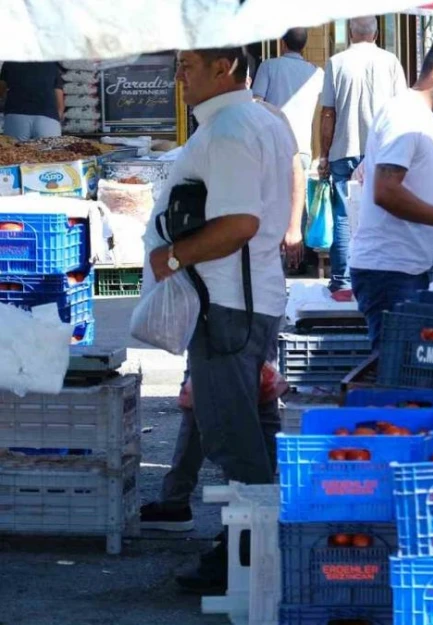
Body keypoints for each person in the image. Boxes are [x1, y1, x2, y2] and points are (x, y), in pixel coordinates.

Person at [143, 46, 296, 592]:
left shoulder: (231, 128)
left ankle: (254, 556)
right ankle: (246, 548)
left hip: (228, 304)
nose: (179, 74)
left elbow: (240, 223)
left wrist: (172, 256)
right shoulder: (259, 119)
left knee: (233, 436)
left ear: (224, 66)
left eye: (188, 64)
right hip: (243, 301)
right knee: (245, 429)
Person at [349, 33, 433, 346]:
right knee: (393, 370)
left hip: (403, 268)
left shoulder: (419, 116)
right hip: (389, 271)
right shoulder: (406, 115)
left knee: (400, 367)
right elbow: (385, 190)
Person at [319, 16, 408, 292]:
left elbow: (328, 113)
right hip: (382, 152)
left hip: (343, 150)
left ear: (350, 33)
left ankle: (343, 282)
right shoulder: (390, 61)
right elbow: (401, 110)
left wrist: (323, 154)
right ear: (376, 33)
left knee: (343, 217)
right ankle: (378, 279)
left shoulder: (336, 62)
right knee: (381, 214)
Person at [251, 28, 324, 172]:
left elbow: (255, 104)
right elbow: (320, 115)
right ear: (304, 45)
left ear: (282, 43)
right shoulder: (317, 73)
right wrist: (318, 155)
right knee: (299, 194)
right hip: (303, 149)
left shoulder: (268, 67)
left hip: (273, 148)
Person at [0, 62, 64, 140]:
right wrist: (57, 116)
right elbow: (58, 93)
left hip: (16, 116)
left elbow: (1, 89)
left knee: (15, 150)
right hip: (48, 116)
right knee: (50, 151)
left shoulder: (10, 63)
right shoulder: (52, 64)